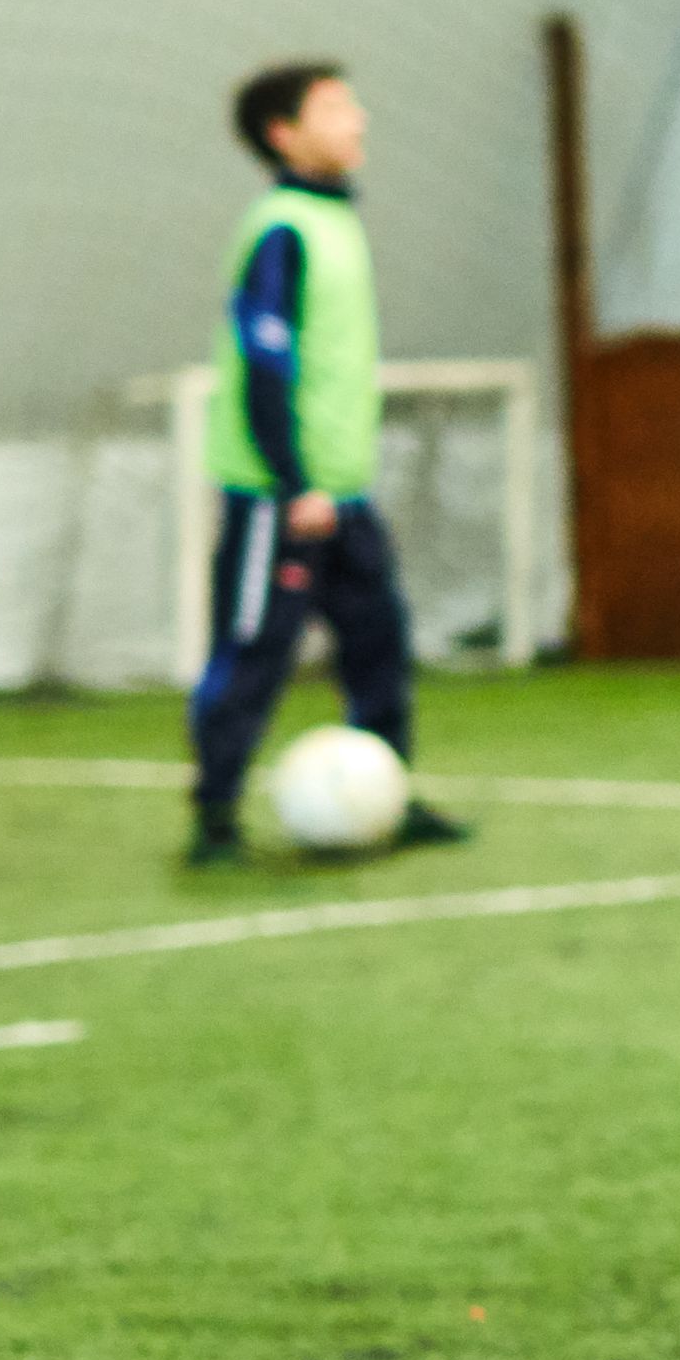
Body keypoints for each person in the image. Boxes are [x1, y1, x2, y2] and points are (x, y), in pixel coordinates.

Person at [186, 62, 474, 868]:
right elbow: (265, 364)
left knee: (379, 639)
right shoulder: (281, 228)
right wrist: (292, 482)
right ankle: (214, 815)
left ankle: (389, 789)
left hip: (344, 491)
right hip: (281, 495)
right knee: (252, 651)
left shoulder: (338, 220)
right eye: (336, 108)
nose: (359, 120)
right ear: (284, 134)